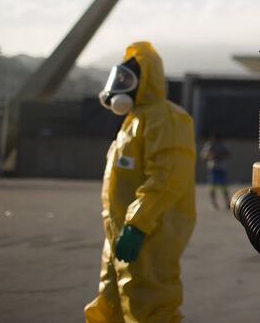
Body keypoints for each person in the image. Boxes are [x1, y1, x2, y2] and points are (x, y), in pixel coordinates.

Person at [85, 41, 196, 322]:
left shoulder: (166, 118)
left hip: (150, 233)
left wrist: (138, 224)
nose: (119, 86)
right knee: (111, 303)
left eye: (126, 79)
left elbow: (168, 178)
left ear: (146, 80)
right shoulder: (134, 121)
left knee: (150, 305)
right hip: (121, 233)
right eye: (117, 79)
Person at [200, 133, 231, 209]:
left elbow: (228, 153)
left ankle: (227, 202)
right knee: (212, 187)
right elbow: (204, 155)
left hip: (221, 168)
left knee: (224, 187)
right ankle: (214, 203)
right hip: (213, 168)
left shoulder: (222, 145)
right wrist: (210, 154)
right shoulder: (209, 145)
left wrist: (219, 154)